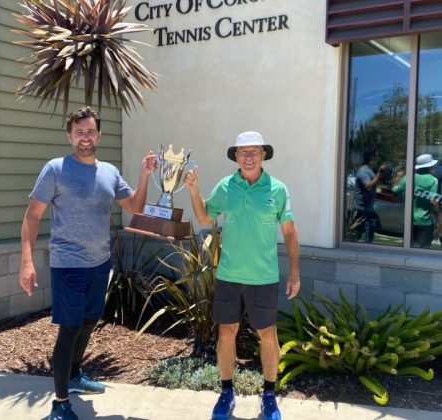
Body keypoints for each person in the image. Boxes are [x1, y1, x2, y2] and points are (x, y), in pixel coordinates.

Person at [19, 106, 157, 420]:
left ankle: (74, 375)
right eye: (79, 132)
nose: (85, 137)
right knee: (69, 329)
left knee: (89, 321)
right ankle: (60, 403)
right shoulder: (55, 169)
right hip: (68, 264)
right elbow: (32, 217)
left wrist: (145, 174)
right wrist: (26, 262)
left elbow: (134, 206)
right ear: (70, 136)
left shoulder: (109, 172)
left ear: (99, 135)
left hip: (100, 263)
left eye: (90, 131)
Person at [184, 131, 300, 420]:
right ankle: (226, 393)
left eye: (254, 151)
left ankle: (269, 395)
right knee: (226, 333)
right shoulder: (226, 187)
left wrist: (294, 271)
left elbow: (289, 231)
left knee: (268, 335)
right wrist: (194, 190)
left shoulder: (277, 189)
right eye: (243, 152)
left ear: (263, 155)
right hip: (229, 275)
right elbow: (204, 218)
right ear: (236, 156)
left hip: (264, 277)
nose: (248, 157)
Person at [392, 153, 439, 248]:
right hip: (425, 222)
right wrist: (438, 220)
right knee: (423, 251)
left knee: (408, 250)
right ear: (429, 167)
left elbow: (395, 191)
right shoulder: (433, 180)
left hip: (409, 220)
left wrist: (398, 177)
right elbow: (433, 202)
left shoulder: (407, 178)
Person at [353, 149, 386, 243]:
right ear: (371, 158)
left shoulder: (369, 170)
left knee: (369, 233)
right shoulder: (363, 171)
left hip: (368, 208)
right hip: (362, 209)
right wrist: (379, 172)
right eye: (376, 156)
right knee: (359, 234)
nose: (377, 159)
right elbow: (367, 185)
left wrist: (381, 175)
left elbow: (375, 181)